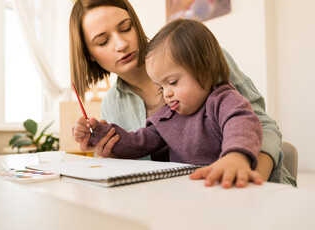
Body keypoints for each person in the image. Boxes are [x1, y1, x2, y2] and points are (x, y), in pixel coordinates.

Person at [69, 0, 296, 187]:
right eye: (103, 41)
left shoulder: (197, 59)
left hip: (254, 187)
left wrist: (244, 171)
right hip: (188, 200)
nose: (121, 44)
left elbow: (255, 123)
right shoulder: (115, 104)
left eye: (126, 28)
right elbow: (140, 145)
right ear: (89, 54)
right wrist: (110, 147)